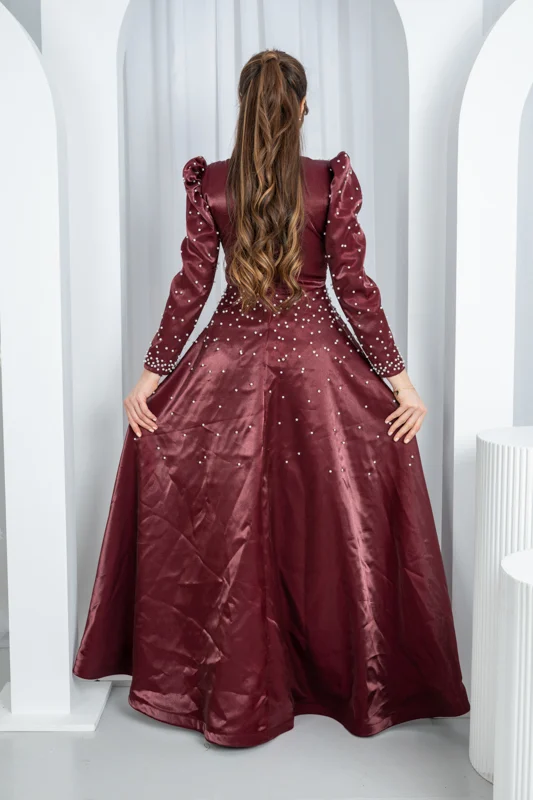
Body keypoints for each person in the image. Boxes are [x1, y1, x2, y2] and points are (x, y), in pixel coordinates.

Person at [73, 48, 470, 748]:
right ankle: (338, 677)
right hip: (317, 363)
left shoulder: (211, 184)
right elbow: (353, 288)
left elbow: (192, 288)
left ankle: (231, 681)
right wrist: (399, 382)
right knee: (329, 517)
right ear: (303, 106)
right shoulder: (327, 182)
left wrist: (151, 379)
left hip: (227, 361)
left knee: (234, 522)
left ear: (243, 106)